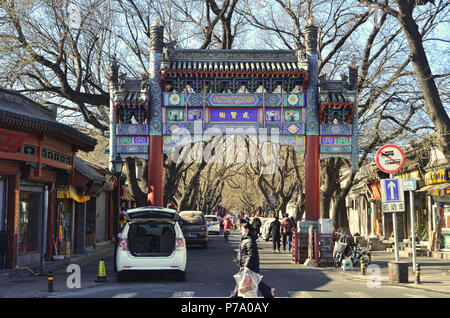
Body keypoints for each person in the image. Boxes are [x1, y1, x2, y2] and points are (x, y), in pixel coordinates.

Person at [230, 219, 274, 298]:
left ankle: (233, 297)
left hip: (249, 266)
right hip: (246, 265)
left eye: (242, 229)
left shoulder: (249, 240)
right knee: (255, 281)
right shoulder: (246, 239)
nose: (241, 230)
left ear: (247, 230)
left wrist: (246, 266)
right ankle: (268, 291)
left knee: (244, 282)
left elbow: (251, 254)